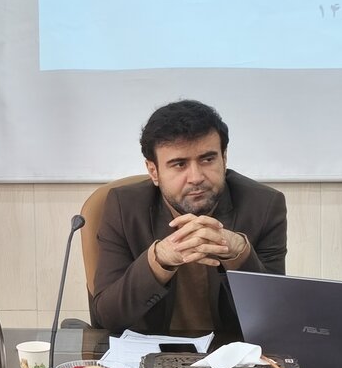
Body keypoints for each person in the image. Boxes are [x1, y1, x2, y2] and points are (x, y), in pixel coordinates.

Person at [91, 100, 287, 336]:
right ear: (154, 171)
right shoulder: (124, 207)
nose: (196, 177)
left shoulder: (264, 205)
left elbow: (274, 316)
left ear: (224, 158)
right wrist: (158, 260)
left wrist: (240, 254)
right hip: (150, 352)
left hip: (231, 352)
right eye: (179, 164)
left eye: (207, 159)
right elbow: (108, 317)